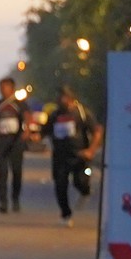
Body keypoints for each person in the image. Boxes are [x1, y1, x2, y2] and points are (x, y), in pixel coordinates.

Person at [47, 87, 99, 226]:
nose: (60, 100)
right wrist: (35, 136)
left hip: (79, 155)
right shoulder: (54, 115)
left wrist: (91, 150)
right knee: (60, 185)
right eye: (59, 97)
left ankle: (85, 191)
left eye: (63, 97)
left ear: (71, 99)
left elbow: (97, 131)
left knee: (80, 181)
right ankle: (66, 214)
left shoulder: (82, 113)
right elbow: (45, 131)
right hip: (60, 156)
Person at [0, 83, 30, 213]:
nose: (2, 90)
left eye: (5, 88)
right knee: (2, 172)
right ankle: (3, 202)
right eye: (1, 88)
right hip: (1, 141)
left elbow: (27, 117)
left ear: (11, 88)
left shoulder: (19, 104)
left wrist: (26, 130)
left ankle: (15, 198)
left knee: (16, 171)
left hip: (16, 141)